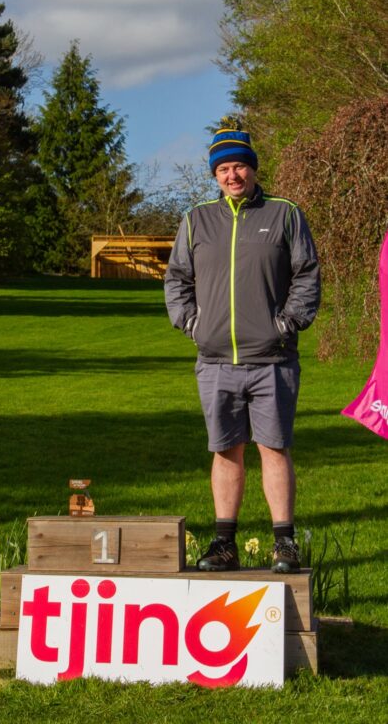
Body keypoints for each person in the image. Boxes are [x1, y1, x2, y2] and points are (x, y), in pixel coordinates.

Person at [164, 126, 320, 573]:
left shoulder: (285, 214)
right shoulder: (197, 219)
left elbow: (307, 273)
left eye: (239, 165)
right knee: (226, 449)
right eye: (224, 168)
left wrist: (287, 324)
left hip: (273, 359)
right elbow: (177, 278)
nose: (233, 175)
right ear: (215, 175)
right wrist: (193, 323)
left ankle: (284, 543)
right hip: (216, 361)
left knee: (274, 447)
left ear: (252, 167)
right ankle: (223, 543)